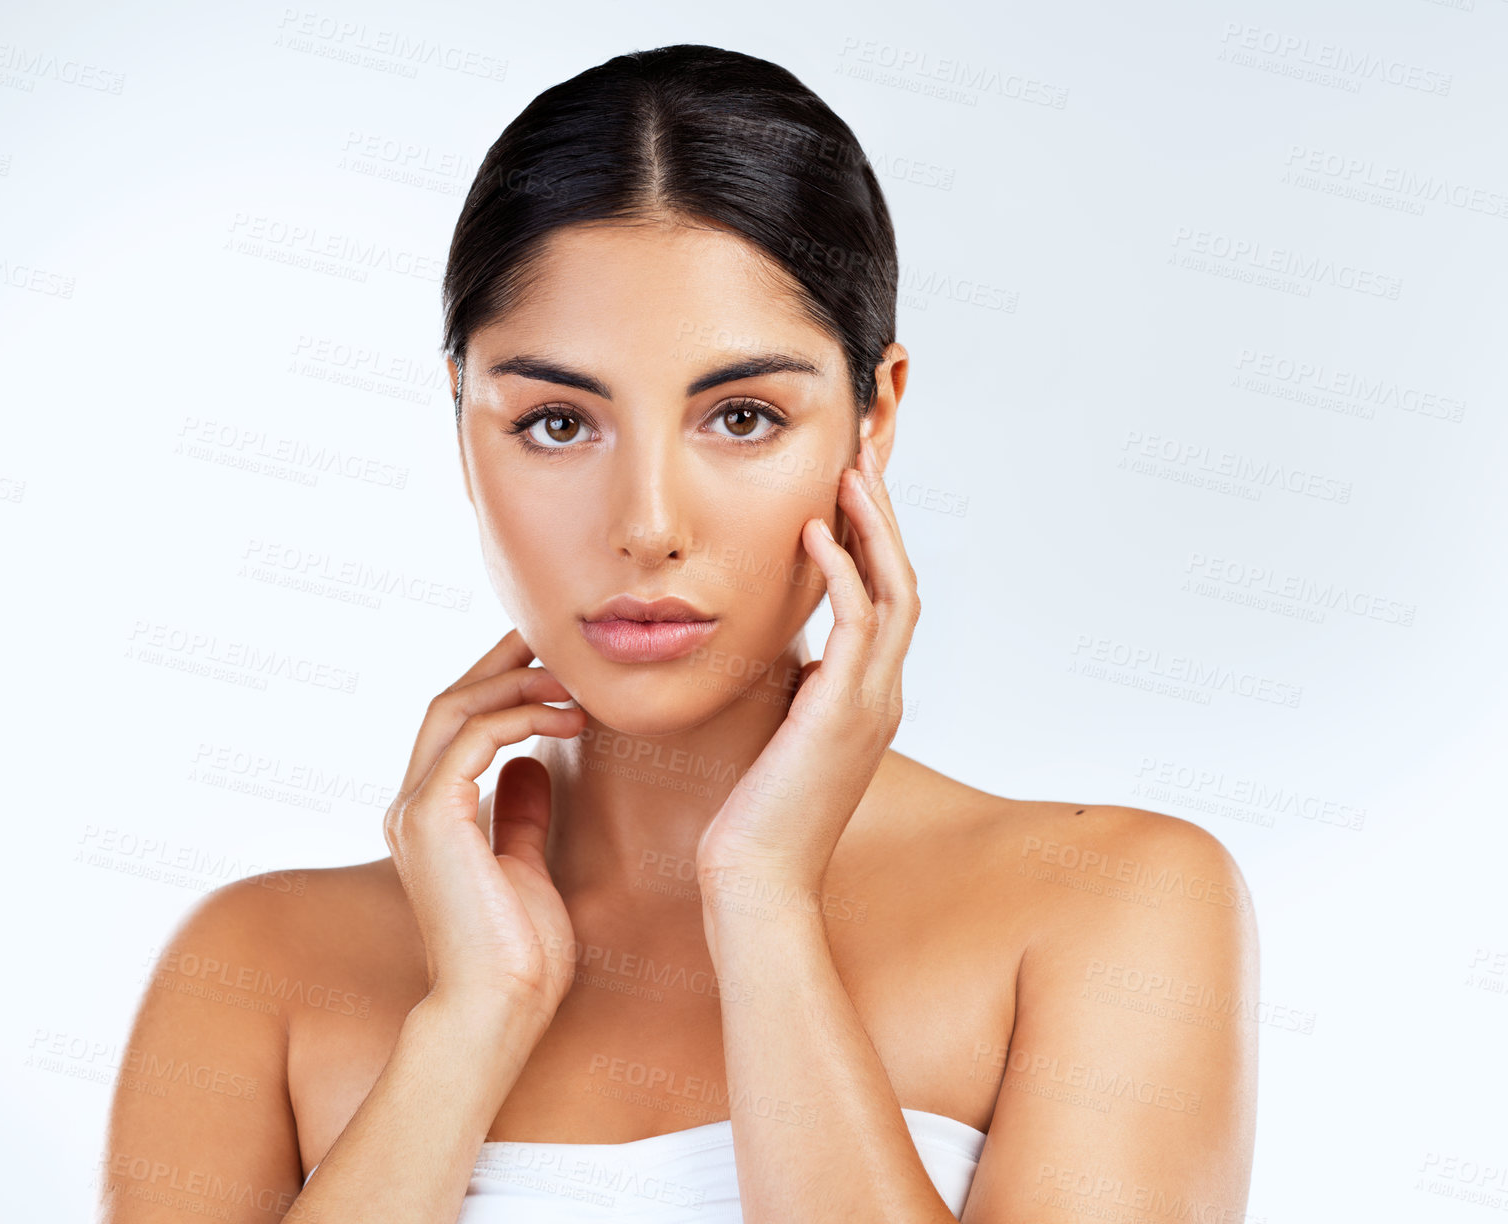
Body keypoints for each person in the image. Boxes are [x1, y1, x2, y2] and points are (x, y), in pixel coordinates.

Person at [100, 43, 1257, 1224]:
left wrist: (761, 902)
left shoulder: (1110, 906)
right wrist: (471, 1020)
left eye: (742, 416)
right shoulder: (256, 967)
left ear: (876, 416)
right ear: (461, 423)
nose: (647, 527)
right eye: (557, 422)